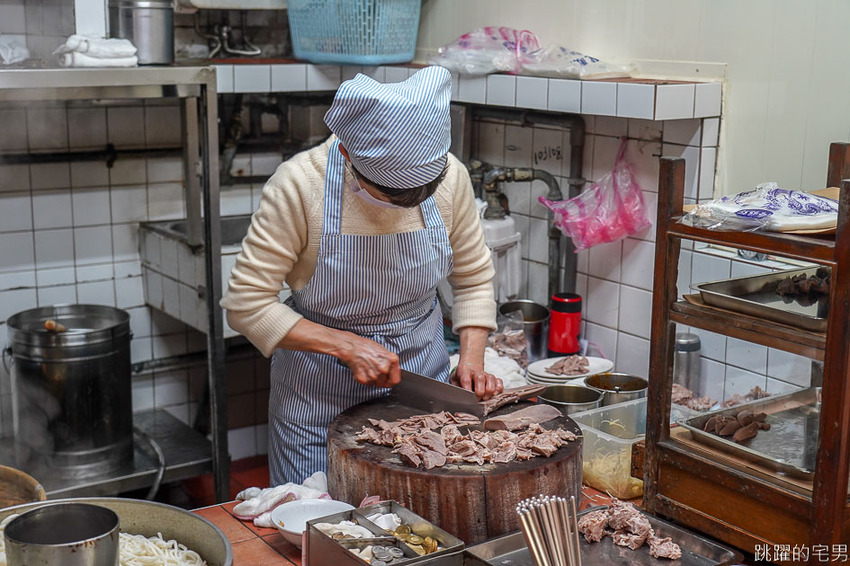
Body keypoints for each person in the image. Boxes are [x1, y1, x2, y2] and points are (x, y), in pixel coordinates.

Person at [221, 65, 502, 486]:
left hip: (419, 386)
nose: (409, 204)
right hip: (317, 397)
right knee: (322, 524)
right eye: (391, 194)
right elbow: (246, 304)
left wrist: (472, 360)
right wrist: (346, 346)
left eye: (422, 190)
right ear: (349, 154)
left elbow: (474, 279)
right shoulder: (300, 185)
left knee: (419, 521)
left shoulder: (452, 177)